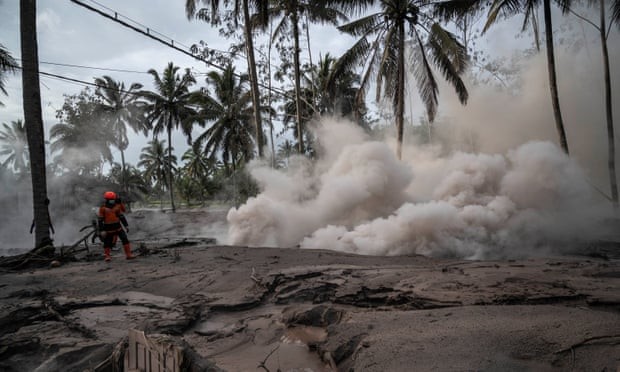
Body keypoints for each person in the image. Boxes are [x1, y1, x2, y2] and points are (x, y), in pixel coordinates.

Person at [98, 191, 135, 261]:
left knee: (125, 239)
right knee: (107, 242)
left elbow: (121, 217)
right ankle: (107, 256)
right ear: (107, 200)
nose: (112, 201)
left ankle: (128, 255)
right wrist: (102, 230)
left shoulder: (117, 207)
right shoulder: (103, 208)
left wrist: (126, 226)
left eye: (113, 200)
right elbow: (100, 220)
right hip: (108, 229)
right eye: (111, 200)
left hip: (118, 227)